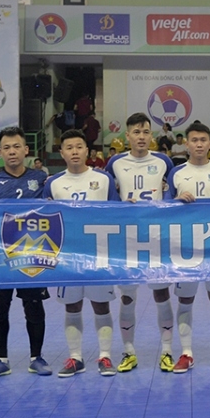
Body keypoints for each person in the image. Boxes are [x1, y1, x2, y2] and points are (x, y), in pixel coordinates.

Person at [0, 126, 52, 378]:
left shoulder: (41, 178)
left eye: (16, 146)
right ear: (0, 151)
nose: (11, 152)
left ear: (26, 149)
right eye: (6, 147)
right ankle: (1, 360)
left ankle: (36, 358)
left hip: (31, 252)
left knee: (33, 304)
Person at [45, 129, 119, 377]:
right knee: (72, 306)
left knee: (102, 306)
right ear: (62, 152)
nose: (75, 151)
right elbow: (44, 221)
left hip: (99, 254)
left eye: (79, 146)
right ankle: (75, 358)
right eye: (69, 147)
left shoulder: (104, 179)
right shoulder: (53, 183)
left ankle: (105, 357)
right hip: (68, 257)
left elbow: (118, 213)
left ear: (88, 151)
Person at [106, 113, 175, 372]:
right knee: (127, 298)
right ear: (127, 136)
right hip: (127, 240)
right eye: (136, 132)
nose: (141, 136)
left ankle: (167, 351)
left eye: (146, 131)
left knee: (162, 294)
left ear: (152, 135)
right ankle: (128, 352)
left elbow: (174, 194)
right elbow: (106, 197)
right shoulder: (114, 163)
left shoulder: (164, 162)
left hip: (156, 238)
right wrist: (120, 206)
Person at [166, 122, 210, 372]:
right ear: (187, 143)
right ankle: (186, 353)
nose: (199, 144)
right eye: (194, 140)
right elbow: (165, 209)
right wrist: (174, 201)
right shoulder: (176, 173)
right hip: (186, 246)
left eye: (203, 140)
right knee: (185, 299)